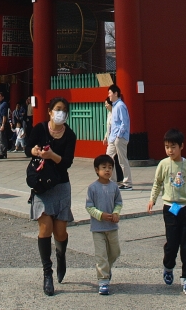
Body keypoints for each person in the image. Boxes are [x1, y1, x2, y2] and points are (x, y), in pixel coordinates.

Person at [26, 97, 77, 296]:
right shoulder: (39, 129)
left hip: (61, 184)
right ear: (49, 111)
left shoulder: (70, 135)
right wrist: (35, 150)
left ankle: (61, 253)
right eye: (57, 109)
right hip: (42, 185)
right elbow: (26, 149)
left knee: (60, 232)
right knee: (45, 228)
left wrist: (51, 155)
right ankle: (47, 273)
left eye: (64, 110)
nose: (60, 113)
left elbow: (67, 163)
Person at [147, 127, 186, 297]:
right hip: (170, 208)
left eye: (173, 146)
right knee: (172, 243)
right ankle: (168, 266)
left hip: (185, 208)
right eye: (167, 147)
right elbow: (157, 183)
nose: (169, 150)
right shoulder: (163, 165)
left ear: (181, 146)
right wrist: (152, 199)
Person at [86, 153, 123, 296]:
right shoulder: (92, 188)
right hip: (98, 228)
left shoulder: (114, 187)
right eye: (104, 167)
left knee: (115, 252)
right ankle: (103, 280)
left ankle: (106, 269)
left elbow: (119, 203)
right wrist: (100, 215)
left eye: (110, 167)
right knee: (101, 254)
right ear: (97, 170)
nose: (107, 170)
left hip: (112, 227)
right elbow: (89, 206)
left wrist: (116, 213)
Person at [106, 85, 133, 190]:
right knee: (108, 158)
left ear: (115, 93)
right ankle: (112, 181)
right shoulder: (115, 106)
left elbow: (124, 122)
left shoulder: (120, 105)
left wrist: (119, 136)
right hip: (113, 138)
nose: (108, 95)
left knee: (122, 160)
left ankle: (128, 183)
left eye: (110, 93)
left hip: (119, 138)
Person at [0, 91, 10, 159]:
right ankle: (2, 151)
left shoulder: (4, 104)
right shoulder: (0, 104)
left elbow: (4, 116)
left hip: (1, 123)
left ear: (3, 97)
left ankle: (3, 153)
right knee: (0, 138)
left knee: (2, 138)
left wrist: (3, 125)